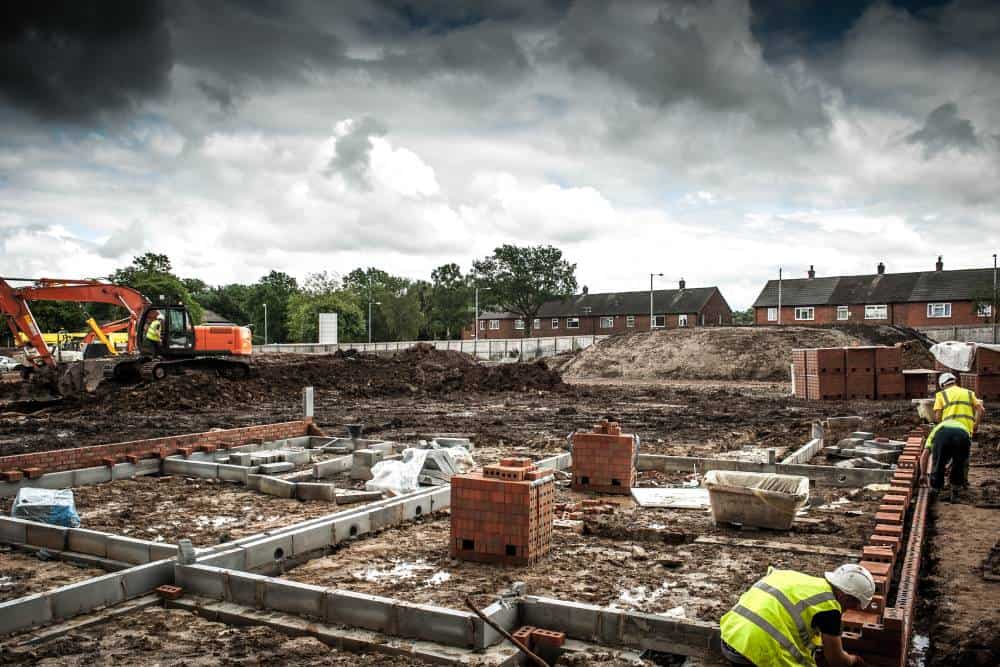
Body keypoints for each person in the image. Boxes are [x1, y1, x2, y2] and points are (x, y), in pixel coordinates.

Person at [719, 564, 875, 667]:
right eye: (852, 605)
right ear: (847, 597)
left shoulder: (794, 577)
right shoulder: (830, 609)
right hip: (751, 655)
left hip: (729, 638)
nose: (848, 610)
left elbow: (791, 620)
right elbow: (837, 660)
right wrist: (855, 661)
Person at [919, 372, 985, 493]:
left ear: (942, 384)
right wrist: (975, 425)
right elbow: (981, 409)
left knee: (939, 458)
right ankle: (959, 484)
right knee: (961, 459)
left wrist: (923, 474)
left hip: (945, 429)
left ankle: (936, 486)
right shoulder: (969, 393)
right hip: (965, 430)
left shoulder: (941, 395)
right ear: (954, 381)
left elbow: (938, 416)